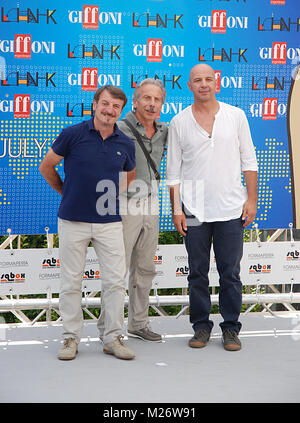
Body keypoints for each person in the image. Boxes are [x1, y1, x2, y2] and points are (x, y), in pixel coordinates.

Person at [39, 85, 136, 360]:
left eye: (116, 107)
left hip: (110, 223)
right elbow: (47, 167)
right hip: (72, 221)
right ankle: (70, 338)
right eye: (105, 103)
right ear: (95, 104)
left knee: (116, 282)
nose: (109, 110)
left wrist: (112, 197)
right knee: (71, 282)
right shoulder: (72, 134)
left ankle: (112, 338)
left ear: (121, 111)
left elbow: (130, 177)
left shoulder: (124, 143)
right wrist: (66, 192)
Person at [167, 64, 258, 351]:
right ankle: (201, 327)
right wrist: (177, 210)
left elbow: (249, 160)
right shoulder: (179, 122)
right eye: (197, 80)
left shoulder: (236, 116)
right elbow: (173, 171)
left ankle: (231, 328)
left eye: (208, 79)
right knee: (197, 272)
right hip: (193, 208)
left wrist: (252, 200)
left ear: (216, 82)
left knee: (230, 272)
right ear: (189, 85)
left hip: (232, 207)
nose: (203, 84)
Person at [117, 78, 168, 342]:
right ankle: (111, 329)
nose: (151, 103)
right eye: (146, 98)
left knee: (145, 267)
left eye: (156, 99)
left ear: (162, 103)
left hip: (152, 201)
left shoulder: (164, 130)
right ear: (135, 102)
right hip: (124, 203)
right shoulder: (119, 128)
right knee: (119, 267)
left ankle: (138, 323)